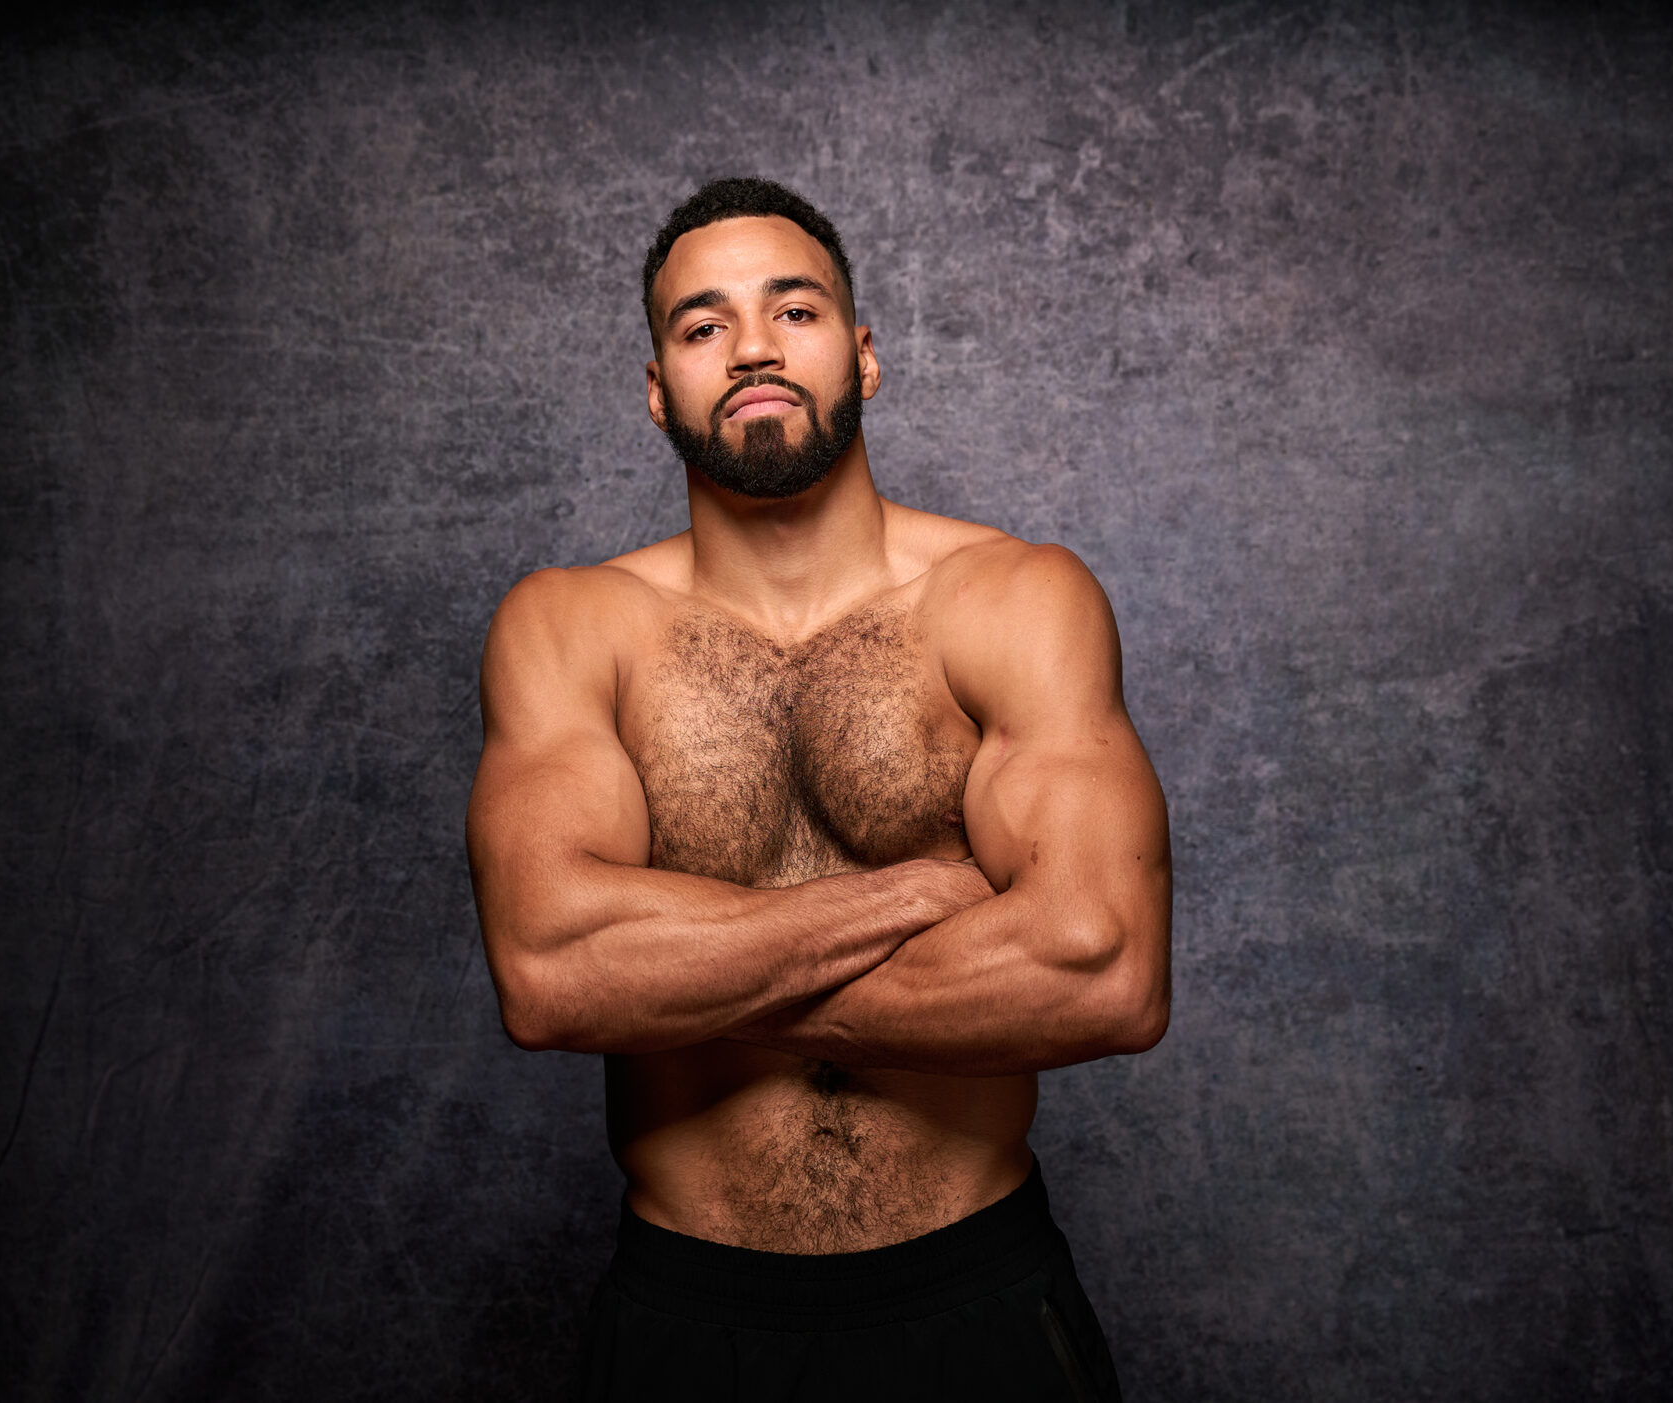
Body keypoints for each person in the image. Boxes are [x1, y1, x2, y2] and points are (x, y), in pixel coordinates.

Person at [466, 177, 1171, 1402]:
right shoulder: (568, 626)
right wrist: (928, 891)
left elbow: (1099, 968)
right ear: (656, 388)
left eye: (793, 310)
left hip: (978, 1306)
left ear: (862, 354)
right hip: (687, 1319)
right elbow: (548, 970)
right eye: (702, 325)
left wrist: (676, 977)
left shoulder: (1013, 599)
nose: (752, 347)